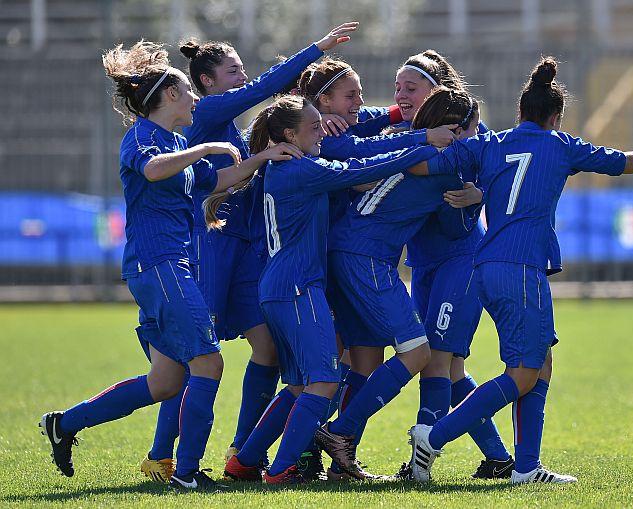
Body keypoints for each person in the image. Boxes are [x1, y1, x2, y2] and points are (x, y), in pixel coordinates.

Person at [405, 56, 633, 483]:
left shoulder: (489, 143)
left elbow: (421, 164)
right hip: (521, 267)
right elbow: (621, 160)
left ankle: (527, 467)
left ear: (520, 111)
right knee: (523, 372)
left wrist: (406, 155)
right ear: (555, 118)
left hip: (487, 264)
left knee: (540, 364)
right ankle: (433, 437)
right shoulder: (559, 146)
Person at [40, 40, 292, 491]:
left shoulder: (176, 140)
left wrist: (259, 159)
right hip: (158, 265)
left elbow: (216, 181)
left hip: (173, 266)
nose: (196, 99)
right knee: (209, 364)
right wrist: (206, 147)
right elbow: (154, 170)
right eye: (189, 93)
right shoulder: (142, 137)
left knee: (163, 382)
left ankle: (64, 424)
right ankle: (188, 475)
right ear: (171, 96)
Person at [138, 22, 358, 484]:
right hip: (214, 247)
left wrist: (389, 115)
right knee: (192, 354)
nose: (243, 76)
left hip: (246, 251)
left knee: (268, 348)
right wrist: (317, 48)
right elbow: (267, 88)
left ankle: (243, 449)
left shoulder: (231, 126)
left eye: (242, 69)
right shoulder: (212, 113)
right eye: (234, 70)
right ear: (206, 82)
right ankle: (162, 454)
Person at [218, 95, 441, 484]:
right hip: (298, 287)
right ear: (290, 134)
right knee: (325, 381)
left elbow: (352, 170)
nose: (323, 133)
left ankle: (245, 461)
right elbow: (356, 168)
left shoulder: (286, 165)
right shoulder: (298, 169)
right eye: (314, 127)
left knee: (301, 385)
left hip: (280, 285)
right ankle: (282, 469)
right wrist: (422, 144)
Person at [394, 49, 516, 480]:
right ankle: (499, 459)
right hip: (424, 264)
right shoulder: (401, 130)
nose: (401, 95)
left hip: (461, 261)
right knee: (451, 367)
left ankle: (419, 461)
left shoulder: (470, 130)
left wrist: (481, 194)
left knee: (436, 360)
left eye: (410, 87)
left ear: (436, 92)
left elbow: (509, 174)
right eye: (397, 87)